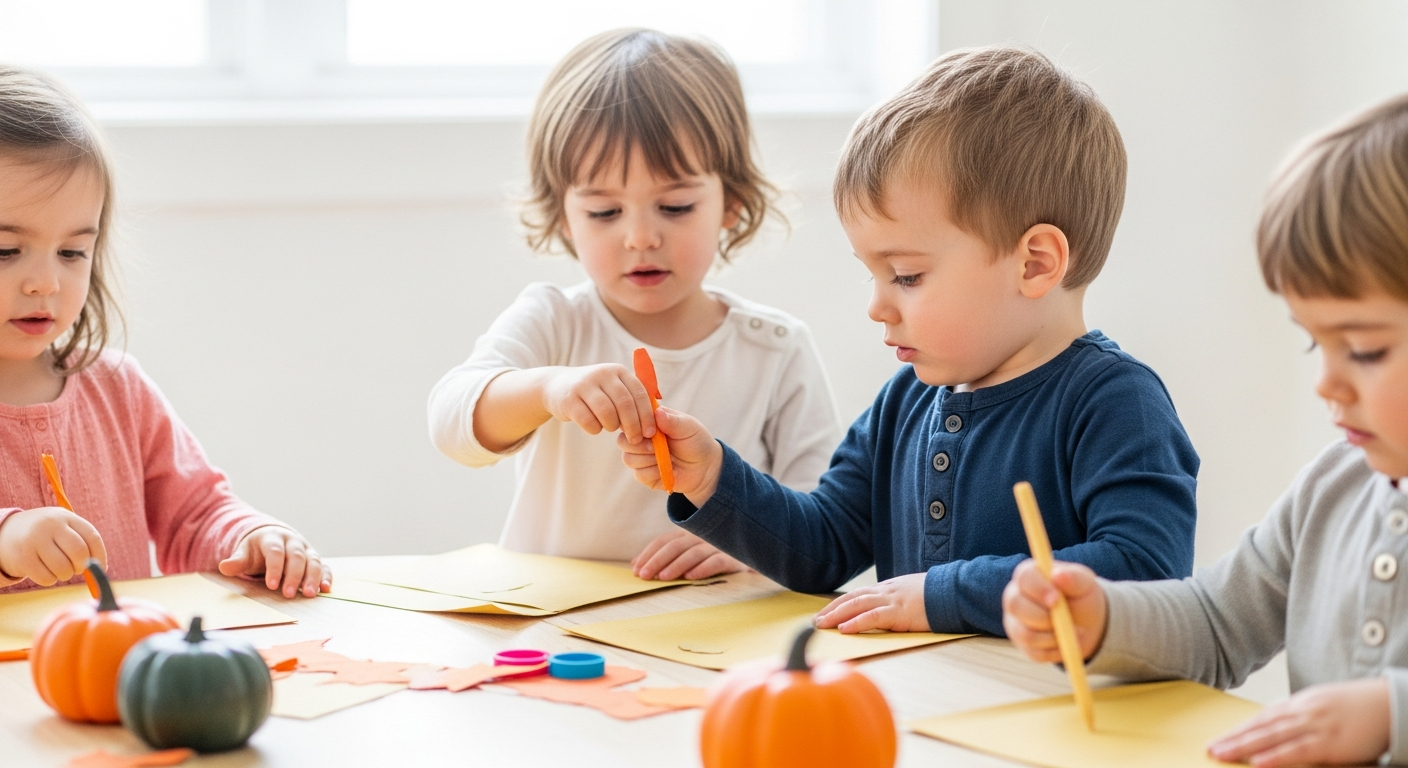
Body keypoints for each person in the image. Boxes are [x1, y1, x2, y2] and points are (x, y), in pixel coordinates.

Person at [620, 46, 1199, 635]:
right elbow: (822, 545)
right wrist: (713, 476)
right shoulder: (906, 402)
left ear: (1034, 264)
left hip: (1051, 717)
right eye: (872, 275)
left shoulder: (1115, 403)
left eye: (906, 276)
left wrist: (941, 595)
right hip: (926, 708)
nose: (876, 306)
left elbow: (1146, 571)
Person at [1003, 92, 1408, 767]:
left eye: (1363, 349)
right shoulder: (1334, 487)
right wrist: (1104, 618)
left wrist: (1390, 714)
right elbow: (1219, 624)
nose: (1325, 383)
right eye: (1315, 345)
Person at [428, 29, 842, 579]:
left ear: (730, 204)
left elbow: (823, 516)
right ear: (563, 218)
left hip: (711, 626)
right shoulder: (555, 322)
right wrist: (548, 389)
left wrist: (745, 544)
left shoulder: (775, 348)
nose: (641, 237)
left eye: (674, 206)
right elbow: (452, 422)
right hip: (552, 621)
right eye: (604, 212)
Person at [0, 66, 328, 598]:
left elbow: (195, 513)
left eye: (72, 252)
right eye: (5, 250)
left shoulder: (117, 388)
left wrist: (251, 536)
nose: (45, 283)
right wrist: (6, 538)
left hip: (120, 671)